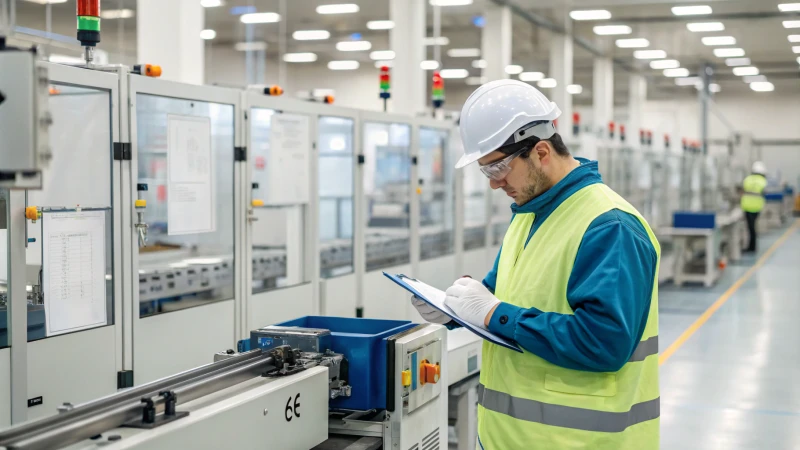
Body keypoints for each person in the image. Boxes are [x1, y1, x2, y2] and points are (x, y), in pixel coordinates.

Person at [412, 80, 660, 449]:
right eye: (487, 173)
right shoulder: (528, 215)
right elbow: (498, 295)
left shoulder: (610, 226)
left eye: (498, 169)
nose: (496, 185)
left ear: (541, 151)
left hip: (580, 442)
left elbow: (604, 343)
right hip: (508, 439)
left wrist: (494, 313)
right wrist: (452, 308)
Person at [741, 161, 768, 253]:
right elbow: (764, 192)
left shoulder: (747, 179)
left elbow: (742, 189)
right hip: (757, 207)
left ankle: (751, 247)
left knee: (750, 228)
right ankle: (752, 247)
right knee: (752, 228)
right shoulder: (763, 181)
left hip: (746, 206)